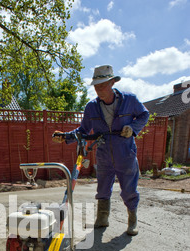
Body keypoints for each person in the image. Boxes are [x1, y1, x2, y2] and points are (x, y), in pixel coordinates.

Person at [53, 65, 150, 236]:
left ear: (112, 82)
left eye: (103, 85)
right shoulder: (91, 107)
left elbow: (144, 115)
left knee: (128, 189)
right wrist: (65, 136)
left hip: (125, 153)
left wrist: (133, 128)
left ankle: (132, 219)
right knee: (103, 188)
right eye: (96, 86)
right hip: (104, 152)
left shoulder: (129, 100)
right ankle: (102, 218)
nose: (99, 90)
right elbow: (83, 130)